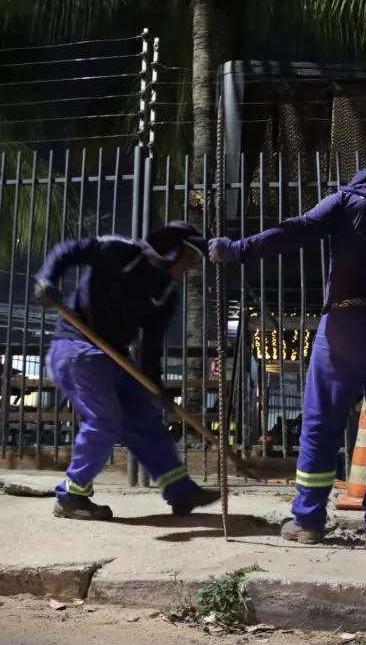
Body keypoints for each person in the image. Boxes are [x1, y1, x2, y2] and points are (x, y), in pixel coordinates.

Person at [208, 168, 366, 551]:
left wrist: (237, 250)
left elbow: (296, 229)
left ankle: (308, 520)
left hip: (345, 323)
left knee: (321, 421)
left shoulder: (347, 200)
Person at [34, 221, 221, 521]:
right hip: (77, 348)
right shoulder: (119, 251)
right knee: (104, 421)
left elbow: (150, 345)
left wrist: (154, 385)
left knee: (144, 417)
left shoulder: (165, 294)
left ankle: (180, 489)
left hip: (116, 357)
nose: (190, 268)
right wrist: (47, 279)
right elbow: (67, 250)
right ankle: (72, 495)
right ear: (174, 252)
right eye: (189, 259)